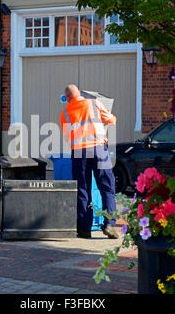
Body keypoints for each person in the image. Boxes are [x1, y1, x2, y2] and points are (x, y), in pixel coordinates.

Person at [60, 84, 119, 239]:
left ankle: (84, 229)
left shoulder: (65, 112)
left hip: (79, 152)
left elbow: (68, 136)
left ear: (67, 98)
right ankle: (110, 225)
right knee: (107, 187)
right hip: (99, 149)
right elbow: (111, 120)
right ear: (80, 93)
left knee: (83, 189)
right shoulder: (94, 102)